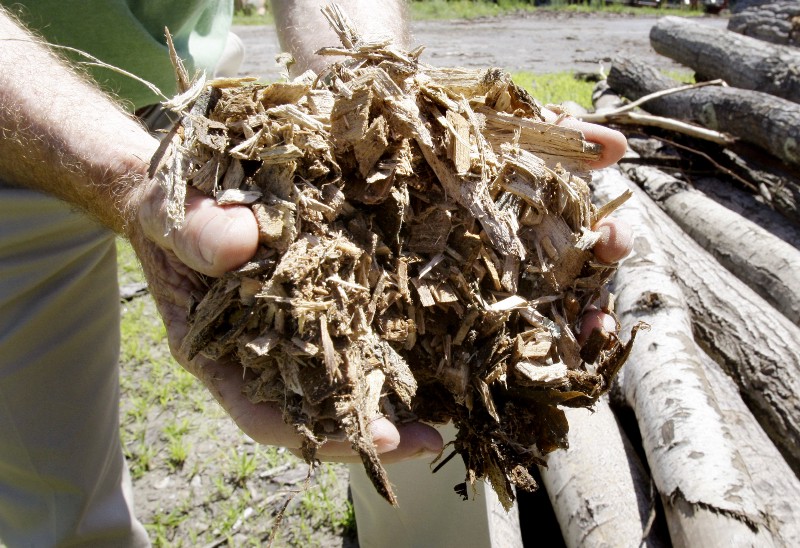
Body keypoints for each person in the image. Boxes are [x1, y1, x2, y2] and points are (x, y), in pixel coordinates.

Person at [0, 1, 631, 546]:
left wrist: (374, 84)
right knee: (61, 499)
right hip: (17, 116)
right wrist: (130, 178)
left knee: (413, 419)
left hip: (194, 97)